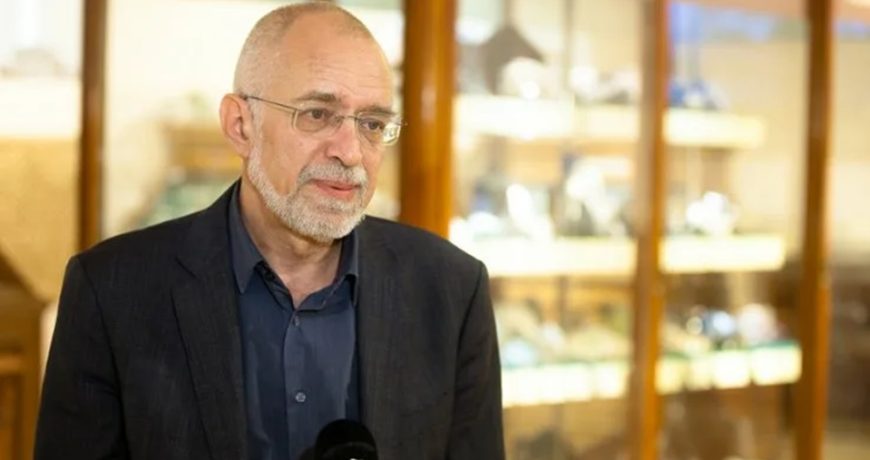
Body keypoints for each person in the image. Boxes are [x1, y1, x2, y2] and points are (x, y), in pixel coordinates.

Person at [34, 3, 504, 459]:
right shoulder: (113, 291)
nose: (350, 152)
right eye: (317, 114)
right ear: (240, 125)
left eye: (372, 124)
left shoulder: (451, 290)